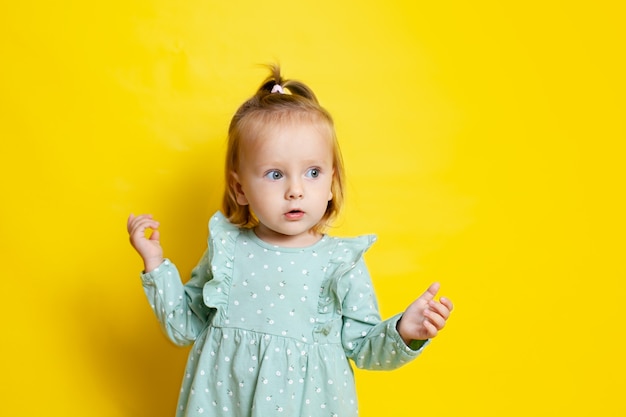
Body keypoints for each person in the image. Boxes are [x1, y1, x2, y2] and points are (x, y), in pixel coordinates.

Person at [127, 65, 453, 417]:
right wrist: (156, 263)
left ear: (331, 183)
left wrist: (405, 331)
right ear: (240, 189)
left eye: (313, 173)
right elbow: (183, 326)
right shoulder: (228, 250)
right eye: (275, 174)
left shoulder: (341, 264)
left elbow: (364, 347)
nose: (295, 190)